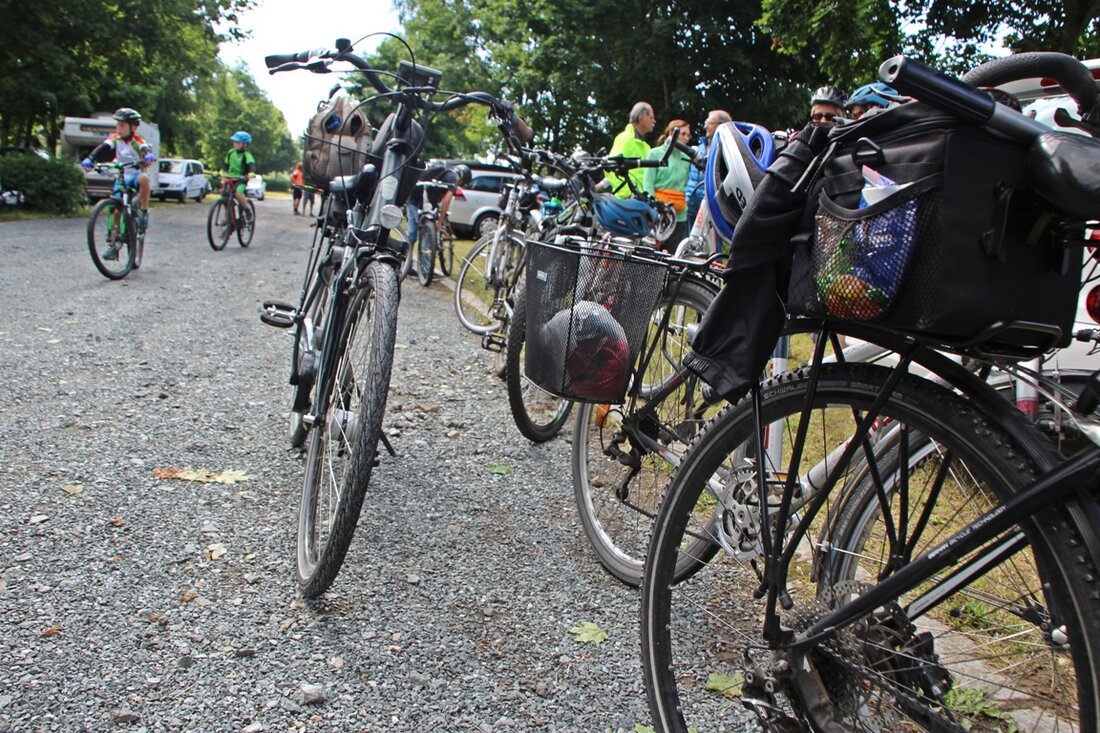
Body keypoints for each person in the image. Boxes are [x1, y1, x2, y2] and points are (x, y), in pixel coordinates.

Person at [80, 107, 155, 247]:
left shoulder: (137, 140)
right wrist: (90, 158)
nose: (118, 129)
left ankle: (144, 212)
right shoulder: (115, 138)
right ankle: (113, 241)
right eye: (117, 125)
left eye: (122, 125)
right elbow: (103, 147)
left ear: (133, 127)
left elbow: (145, 148)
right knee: (116, 211)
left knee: (144, 179)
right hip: (123, 175)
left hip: (135, 173)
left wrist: (149, 155)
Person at [643, 119, 693, 247]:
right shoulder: (655, 154)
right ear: (671, 133)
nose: (686, 138)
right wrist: (652, 209)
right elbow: (648, 184)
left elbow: (688, 184)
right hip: (658, 214)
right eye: (683, 134)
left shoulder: (687, 158)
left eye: (688, 135)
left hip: (679, 215)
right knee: (653, 253)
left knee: (674, 255)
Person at [405, 162, 471, 258]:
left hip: (413, 197)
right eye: (462, 183)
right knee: (426, 236)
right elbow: (446, 201)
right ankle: (425, 266)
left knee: (412, 234)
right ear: (462, 178)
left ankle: (405, 261)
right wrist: (439, 222)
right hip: (421, 201)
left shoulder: (443, 173)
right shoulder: (453, 179)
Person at [685, 109, 732, 229]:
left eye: (709, 122)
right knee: (691, 237)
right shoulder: (699, 148)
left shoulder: (727, 149)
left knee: (714, 238)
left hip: (713, 204)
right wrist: (688, 197)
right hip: (693, 202)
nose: (705, 126)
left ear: (720, 125)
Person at [605, 102, 656, 197]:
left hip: (642, 199)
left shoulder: (646, 147)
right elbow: (610, 168)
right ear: (641, 118)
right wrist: (628, 194)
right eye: (651, 117)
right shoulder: (625, 139)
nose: (654, 121)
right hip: (627, 201)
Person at [225, 131, 256, 223]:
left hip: (241, 179)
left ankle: (247, 210)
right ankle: (229, 218)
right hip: (230, 177)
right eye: (234, 142)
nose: (235, 144)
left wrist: (251, 173)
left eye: (238, 142)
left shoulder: (247, 155)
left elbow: (251, 165)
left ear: (245, 144)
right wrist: (220, 172)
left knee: (238, 192)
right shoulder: (231, 153)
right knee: (224, 193)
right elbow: (225, 165)